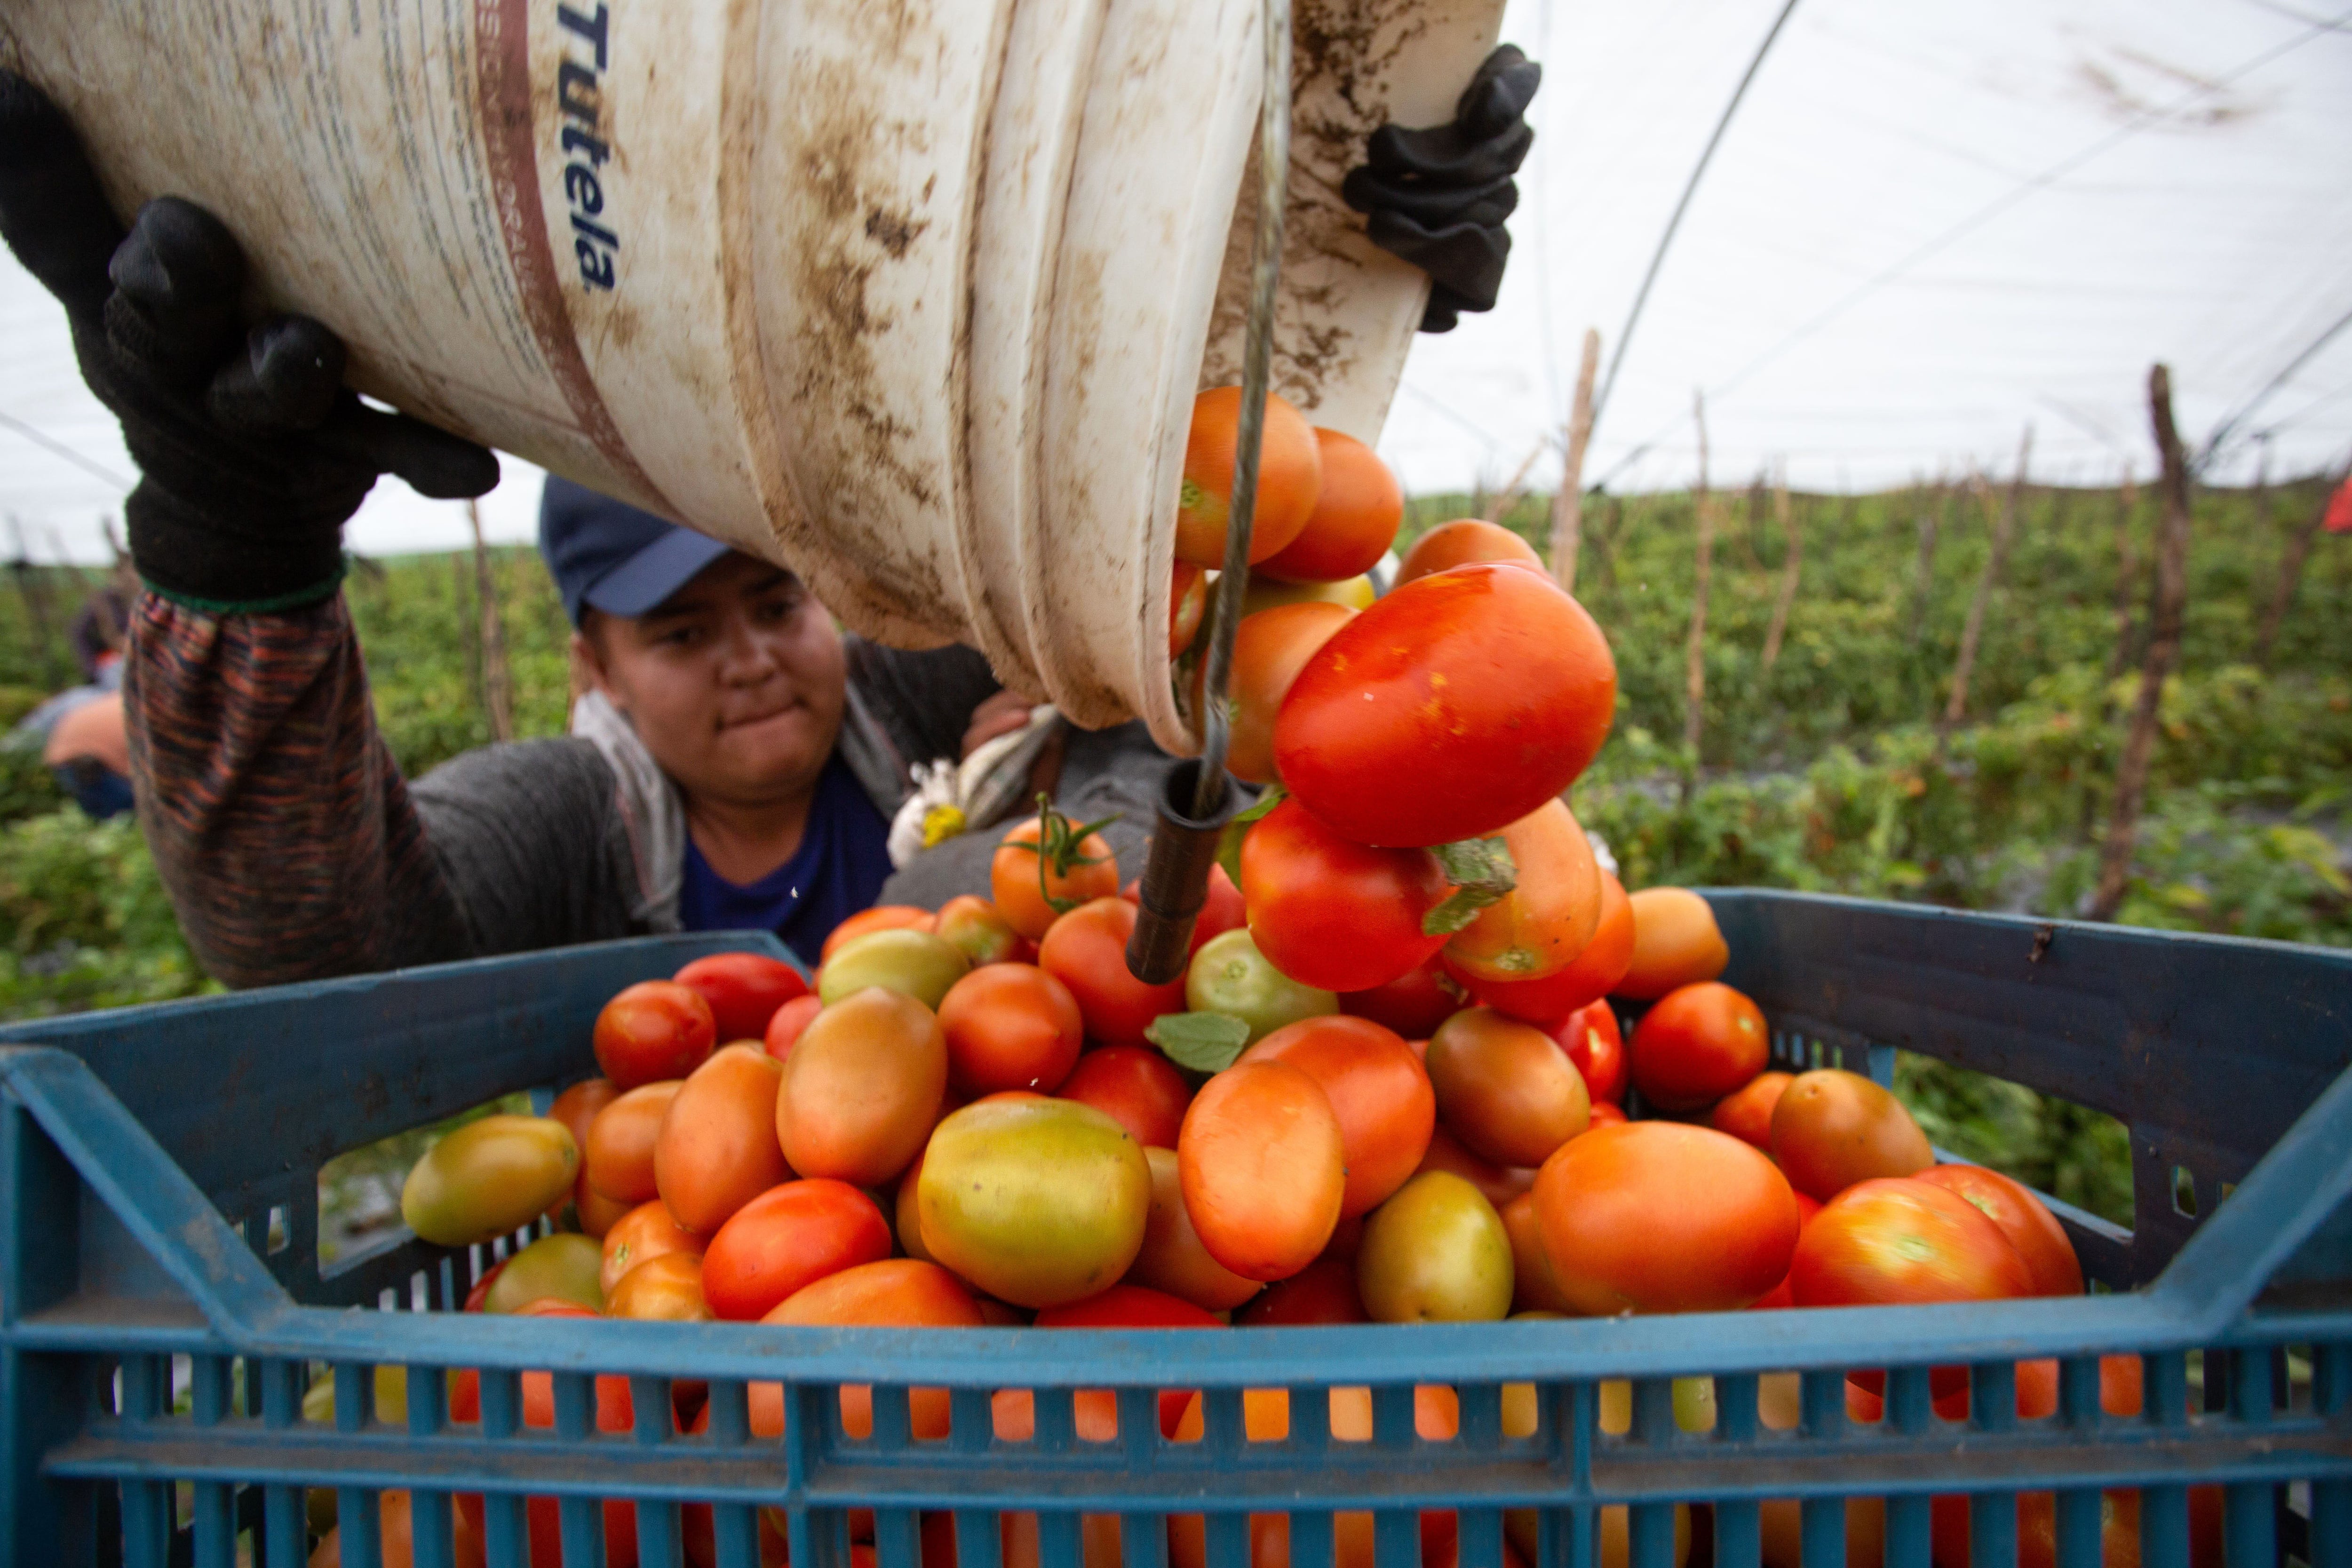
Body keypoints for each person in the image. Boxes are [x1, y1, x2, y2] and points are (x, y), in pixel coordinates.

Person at [0, 51, 1540, 986]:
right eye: (678, 631)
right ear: (595, 667)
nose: (750, 658)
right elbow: (318, 946)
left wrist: (1313, 323)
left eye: (772, 602)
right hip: (724, 1345)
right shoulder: (571, 827)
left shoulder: (910, 692)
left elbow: (1183, 643)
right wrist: (232, 553)